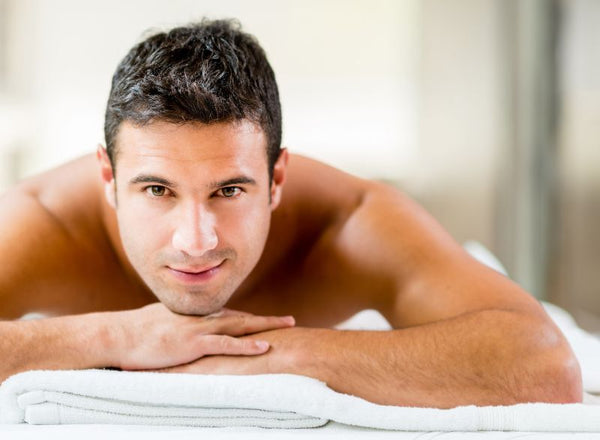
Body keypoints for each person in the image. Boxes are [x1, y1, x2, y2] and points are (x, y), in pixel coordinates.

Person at [0, 19, 582, 408]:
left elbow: (546, 366)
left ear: (277, 178)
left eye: (229, 190)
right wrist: (119, 336)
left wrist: (248, 357)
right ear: (109, 178)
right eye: (157, 190)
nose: (196, 241)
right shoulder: (42, 220)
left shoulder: (349, 223)